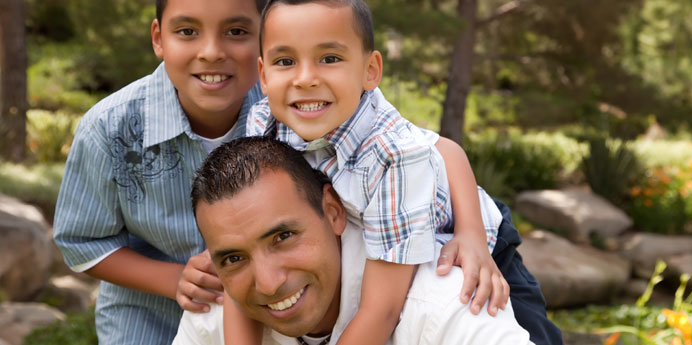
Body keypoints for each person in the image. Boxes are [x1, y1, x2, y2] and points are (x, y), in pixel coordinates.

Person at [242, 1, 562, 344]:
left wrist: (470, 235)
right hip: (382, 224)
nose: (305, 79)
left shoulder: (390, 152)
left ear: (370, 70)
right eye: (285, 61)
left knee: (522, 328)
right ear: (263, 75)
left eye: (330, 58)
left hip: (472, 233)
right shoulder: (264, 123)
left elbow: (382, 309)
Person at [173, 136, 534, 345]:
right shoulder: (214, 308)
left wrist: (470, 232)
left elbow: (445, 149)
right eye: (233, 258)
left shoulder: (442, 303)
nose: (268, 283)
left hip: (481, 234)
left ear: (333, 212)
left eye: (283, 237)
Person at [52, 0, 266, 343]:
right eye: (187, 32)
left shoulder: (286, 118)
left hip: (265, 315)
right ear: (159, 38)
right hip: (148, 323)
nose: (211, 52)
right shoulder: (109, 129)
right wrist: (175, 278)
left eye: (236, 32)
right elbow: (82, 242)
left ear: (265, 38)